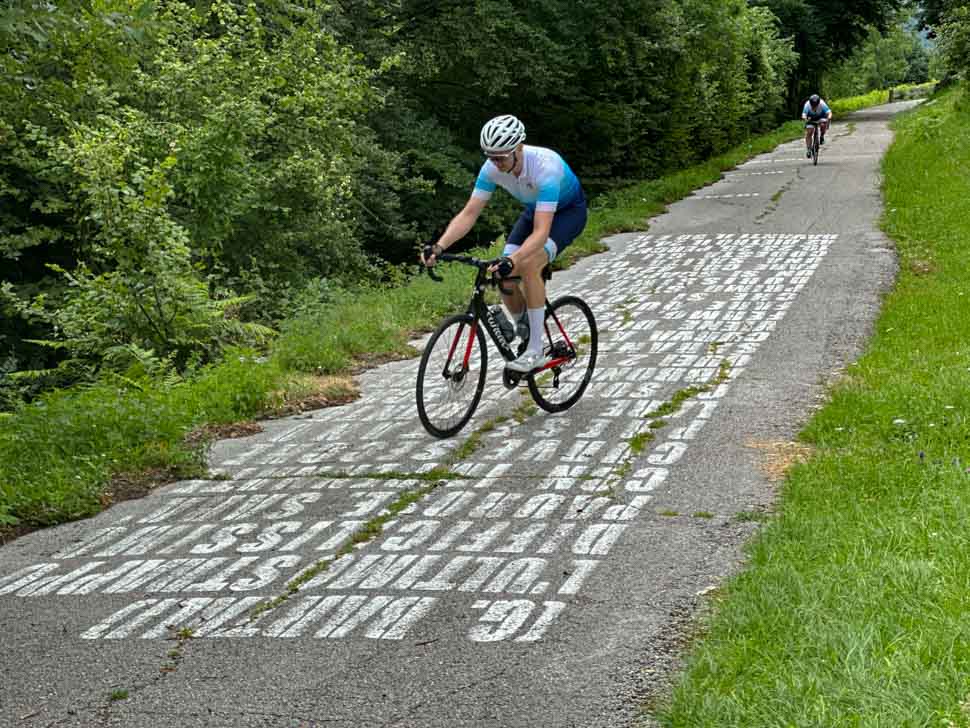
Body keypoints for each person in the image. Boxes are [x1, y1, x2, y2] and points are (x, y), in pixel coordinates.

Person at [421, 114, 587, 373]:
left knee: (529, 264)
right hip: (535, 210)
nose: (495, 163)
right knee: (502, 275)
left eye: (501, 158)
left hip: (568, 214)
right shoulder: (491, 168)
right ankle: (526, 327)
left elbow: (542, 232)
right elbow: (469, 214)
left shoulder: (546, 167)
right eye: (490, 157)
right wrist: (439, 246)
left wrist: (515, 260)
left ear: (519, 148)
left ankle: (535, 349)